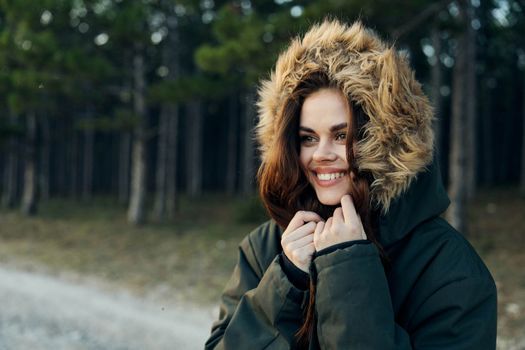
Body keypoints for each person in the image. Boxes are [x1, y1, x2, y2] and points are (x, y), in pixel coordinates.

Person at [205, 19, 497, 349]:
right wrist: (286, 278)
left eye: (342, 135)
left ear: (386, 140)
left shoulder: (448, 266)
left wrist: (348, 273)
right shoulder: (269, 246)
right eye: (308, 138)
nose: (322, 155)